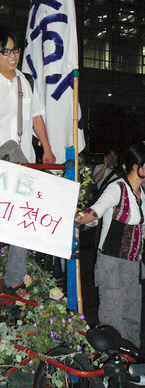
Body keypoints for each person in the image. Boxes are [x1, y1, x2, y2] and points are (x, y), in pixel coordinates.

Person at [0, 30, 55, 295]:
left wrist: (47, 149)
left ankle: (14, 278)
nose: (13, 56)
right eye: (5, 52)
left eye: (15, 50)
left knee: (23, 221)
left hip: (26, 160)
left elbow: (37, 117)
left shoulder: (27, 81)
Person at [76, 142, 145, 347]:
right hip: (111, 264)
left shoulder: (142, 194)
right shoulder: (117, 188)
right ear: (137, 166)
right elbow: (95, 211)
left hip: (133, 264)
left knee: (132, 316)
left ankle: (128, 366)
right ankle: (110, 370)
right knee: (113, 317)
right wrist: (79, 218)